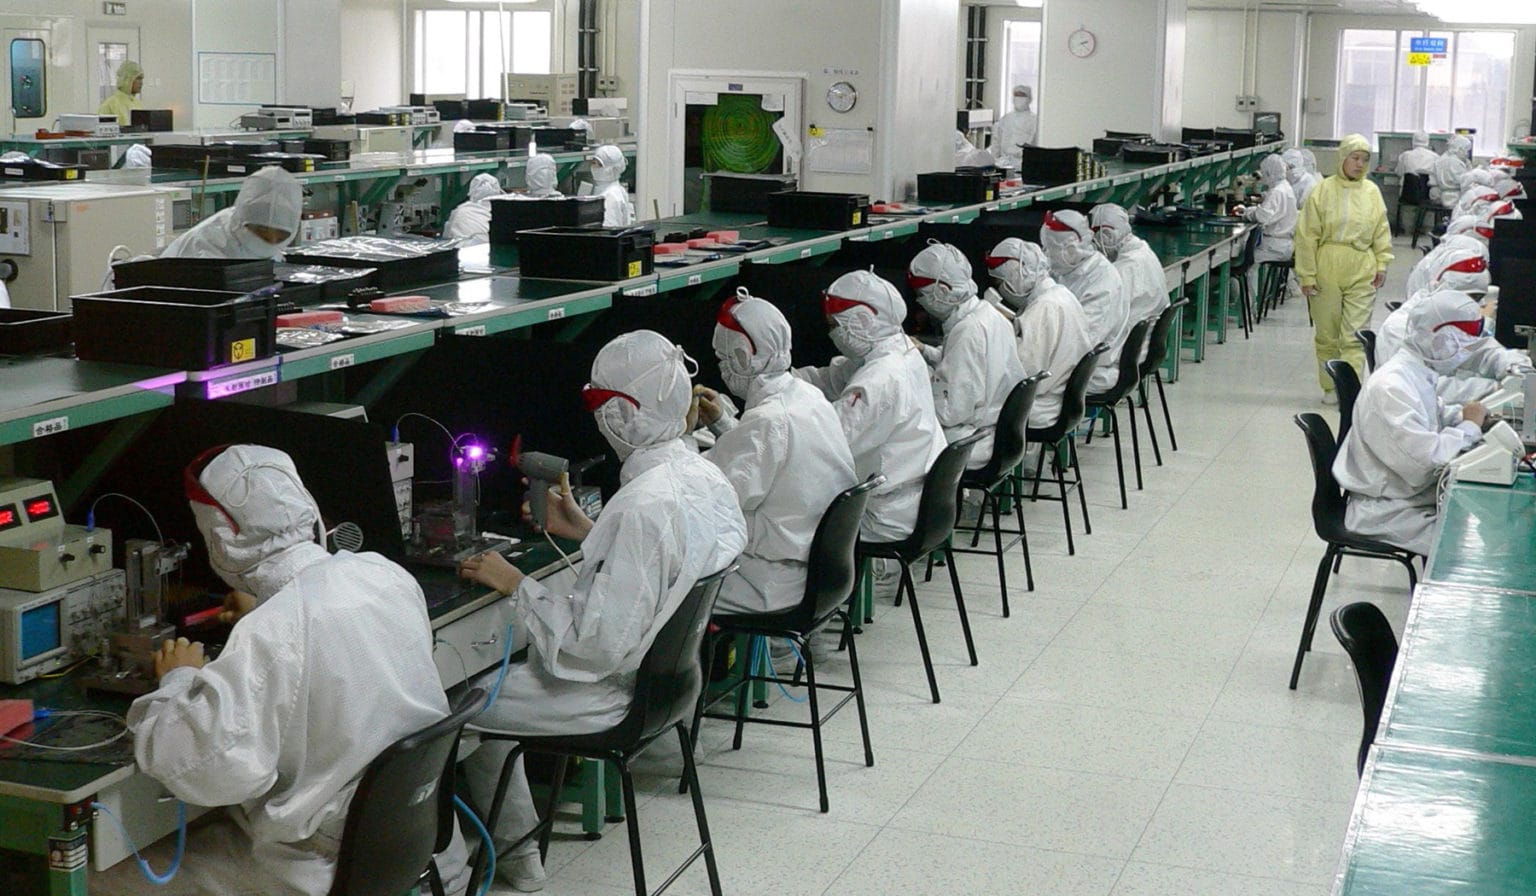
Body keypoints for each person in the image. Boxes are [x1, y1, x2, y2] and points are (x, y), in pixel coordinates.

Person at [458, 330, 746, 891]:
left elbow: (593, 648)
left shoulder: (643, 503)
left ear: (621, 412)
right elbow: (664, 572)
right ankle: (512, 850)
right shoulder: (701, 475)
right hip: (672, 689)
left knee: (446, 701)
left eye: (596, 403)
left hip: (608, 696)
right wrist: (587, 531)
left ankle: (487, 859)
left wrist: (515, 582)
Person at [114, 445, 469, 896]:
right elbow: (327, 644)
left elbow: (199, 768)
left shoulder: (271, 632)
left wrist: (178, 679)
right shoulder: (386, 576)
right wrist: (266, 607)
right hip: (408, 842)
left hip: (316, 865)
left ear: (221, 537)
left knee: (109, 872)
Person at [693, 290, 857, 615]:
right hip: (817, 570)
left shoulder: (767, 420)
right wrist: (723, 422)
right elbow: (767, 461)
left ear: (742, 357)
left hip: (769, 581)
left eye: (724, 359)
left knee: (668, 585)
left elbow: (711, 496)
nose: (723, 368)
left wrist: (676, 438)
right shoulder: (806, 396)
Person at [794, 269, 947, 542]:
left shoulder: (880, 379)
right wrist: (782, 380)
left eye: (834, 325)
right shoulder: (900, 350)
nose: (831, 333)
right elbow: (835, 377)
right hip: (916, 499)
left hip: (884, 515)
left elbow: (829, 444)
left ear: (862, 321)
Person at [1333, 290, 1489, 556]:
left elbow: (1433, 412)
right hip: (1389, 511)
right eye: (1461, 345)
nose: (1463, 354)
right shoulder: (1391, 387)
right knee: (1475, 553)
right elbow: (1426, 463)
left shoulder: (1414, 371)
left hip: (1406, 497)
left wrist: (1468, 417)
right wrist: (1469, 428)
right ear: (1438, 340)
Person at [908, 241, 1025, 468]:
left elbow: (951, 411)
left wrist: (915, 387)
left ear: (942, 290)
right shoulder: (986, 313)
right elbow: (964, 365)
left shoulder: (967, 331)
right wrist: (925, 351)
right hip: (998, 431)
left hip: (973, 440)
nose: (919, 301)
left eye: (921, 294)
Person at [1294, 133, 1392, 403]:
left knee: (1354, 333)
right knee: (1327, 333)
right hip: (1327, 264)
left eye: (1365, 159)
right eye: (1355, 158)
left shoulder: (1372, 193)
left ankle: (1349, 387)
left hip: (1362, 264)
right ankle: (1329, 385)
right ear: (1342, 159)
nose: (1360, 164)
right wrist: (1307, 273)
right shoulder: (1322, 190)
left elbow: (1382, 230)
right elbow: (1306, 235)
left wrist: (1382, 262)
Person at [1379, 243, 1527, 403]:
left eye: (1479, 297)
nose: (1480, 305)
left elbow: (1475, 349)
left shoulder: (1451, 316)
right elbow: (1427, 388)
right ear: (1443, 288)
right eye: (1472, 298)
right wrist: (1494, 388)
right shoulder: (1400, 328)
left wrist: (1511, 364)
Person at [984, 237, 1094, 428]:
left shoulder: (1043, 308)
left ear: (1015, 275)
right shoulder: (1061, 294)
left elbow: (1022, 372)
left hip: (1042, 406)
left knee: (972, 414)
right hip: (1062, 398)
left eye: (1000, 282)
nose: (1000, 289)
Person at [1041, 209, 1129, 392]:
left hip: (1091, 372)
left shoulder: (1102, 281)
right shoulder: (1072, 270)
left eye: (1050, 250)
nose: (1046, 255)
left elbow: (1082, 343)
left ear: (1071, 250)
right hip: (1074, 362)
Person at [162, 167, 302, 259]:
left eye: (280, 236)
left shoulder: (258, 240)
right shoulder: (208, 244)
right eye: (263, 231)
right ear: (243, 222)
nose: (271, 241)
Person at [1090, 203, 1171, 360]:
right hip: (1144, 346)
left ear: (1106, 235)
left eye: (1094, 239)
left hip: (1127, 354)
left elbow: (1104, 321)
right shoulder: (1143, 250)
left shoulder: (1125, 269)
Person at [1236, 154, 1297, 304]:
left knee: (1247, 264)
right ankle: (1258, 300)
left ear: (1269, 172)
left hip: (1275, 246)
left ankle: (1249, 306)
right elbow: (1270, 206)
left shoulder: (1277, 191)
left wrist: (1246, 212)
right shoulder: (1285, 187)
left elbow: (1262, 216)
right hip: (1285, 244)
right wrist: (1256, 204)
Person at [440, 173, 504, 242]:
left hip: (462, 250)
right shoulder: (502, 210)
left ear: (471, 190)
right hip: (493, 249)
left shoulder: (460, 210)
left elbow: (446, 237)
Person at [988, 84, 1038, 170]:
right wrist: (994, 160)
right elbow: (996, 141)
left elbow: (1034, 143)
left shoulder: (1035, 120)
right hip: (1003, 164)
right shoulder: (1006, 119)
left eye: (1022, 95)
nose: (1018, 98)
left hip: (1024, 164)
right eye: (1016, 95)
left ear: (1029, 99)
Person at [589, 144, 633, 226]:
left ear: (609, 169)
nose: (592, 167)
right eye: (592, 162)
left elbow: (608, 229)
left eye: (597, 164)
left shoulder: (609, 197)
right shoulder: (617, 189)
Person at [1431, 135, 1472, 209]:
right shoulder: (1456, 162)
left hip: (1442, 195)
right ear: (1460, 149)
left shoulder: (1441, 159)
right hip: (1455, 198)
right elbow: (1465, 182)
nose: (1467, 154)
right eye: (1466, 151)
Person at [98, 60, 143, 125]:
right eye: (138, 78)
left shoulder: (137, 104)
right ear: (127, 79)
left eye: (142, 79)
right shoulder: (110, 104)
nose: (141, 82)